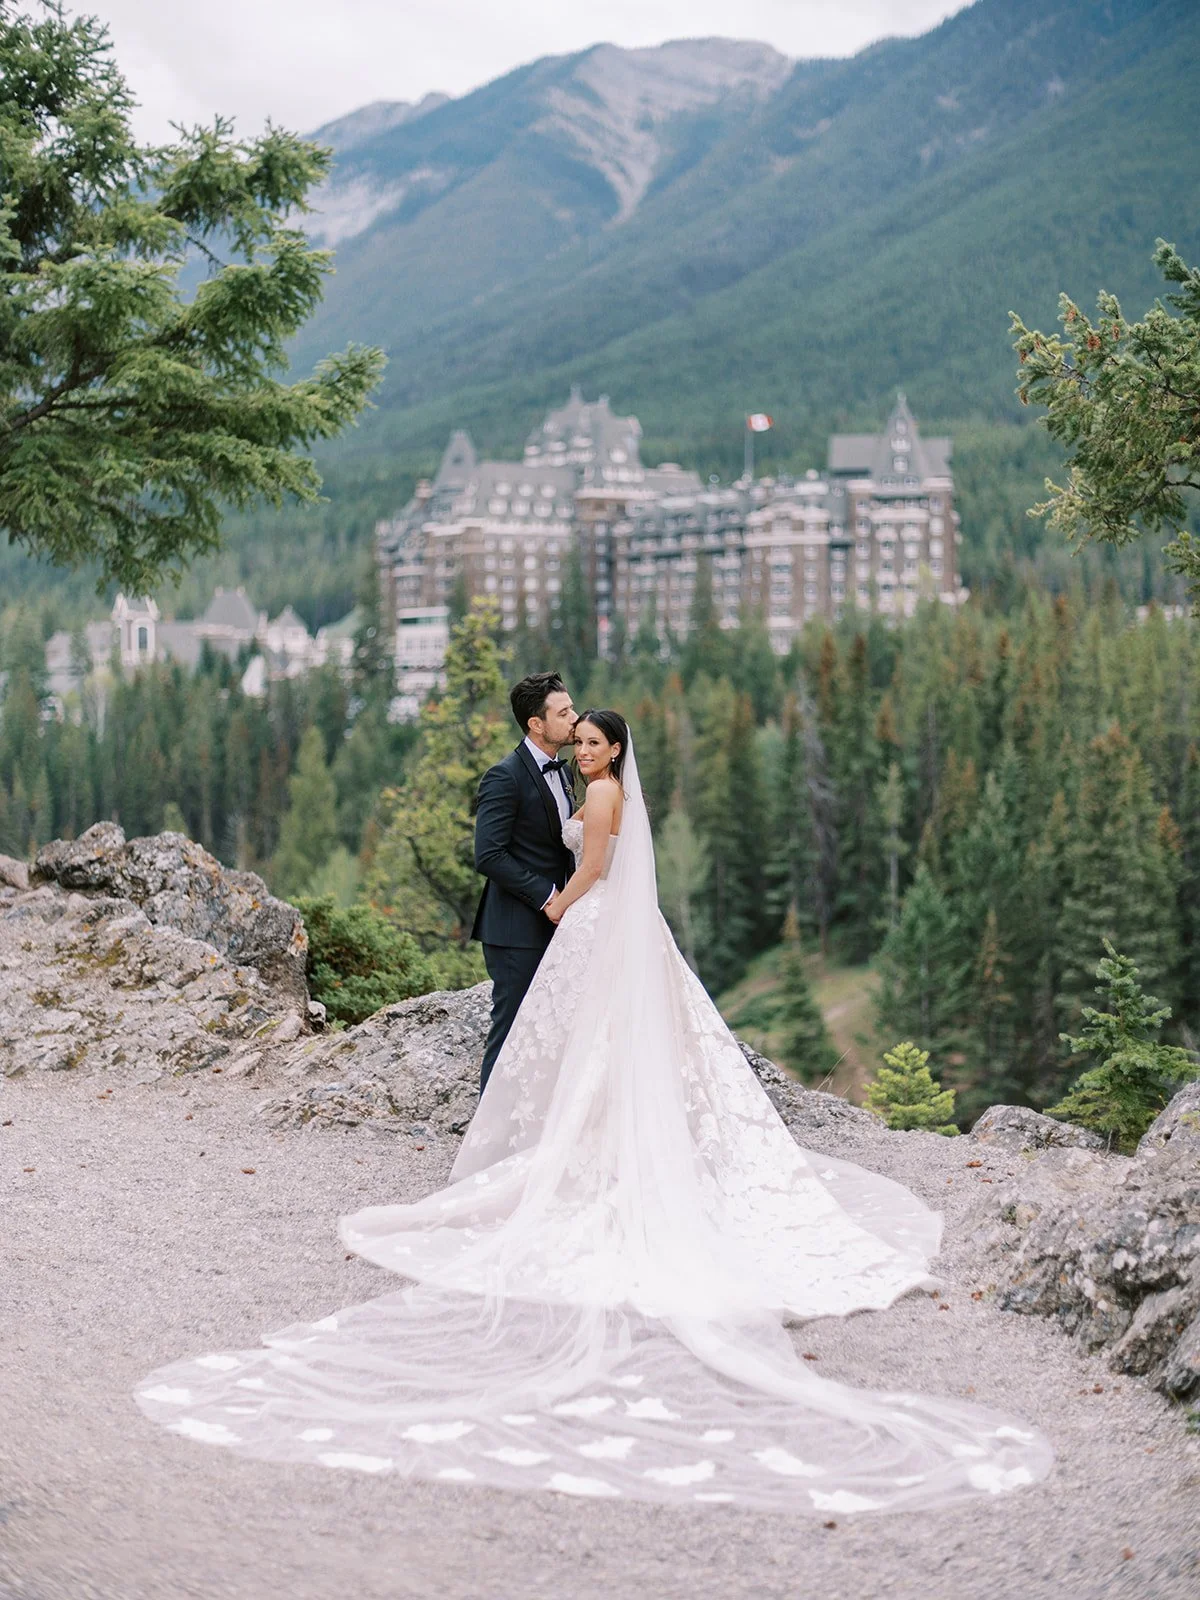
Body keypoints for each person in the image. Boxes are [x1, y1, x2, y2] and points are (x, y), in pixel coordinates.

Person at [135, 712, 1053, 1513]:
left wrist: (563, 909)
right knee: (593, 1053)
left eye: (594, 741)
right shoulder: (588, 785)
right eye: (575, 740)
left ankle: (602, 1156)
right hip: (599, 929)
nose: (582, 752)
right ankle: (597, 1146)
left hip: (595, 925)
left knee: (601, 1049)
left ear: (617, 751)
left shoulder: (607, 799)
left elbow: (599, 867)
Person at [471, 671, 578, 1093]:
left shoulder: (566, 772)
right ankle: (485, 1144)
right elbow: (489, 855)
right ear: (537, 723)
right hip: (515, 929)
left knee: (547, 1032)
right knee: (511, 1032)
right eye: (564, 712)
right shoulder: (505, 776)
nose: (574, 718)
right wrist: (549, 895)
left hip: (558, 924)